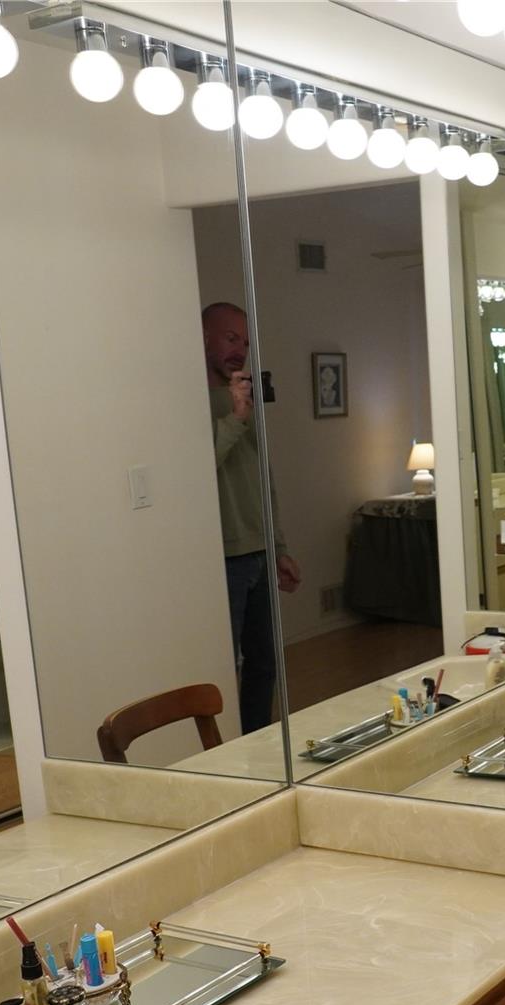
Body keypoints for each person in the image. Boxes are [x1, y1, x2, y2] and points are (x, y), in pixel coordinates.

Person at [202, 302, 300, 734]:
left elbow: (264, 477)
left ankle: (259, 743)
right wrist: (235, 418)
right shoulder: (191, 401)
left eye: (244, 341)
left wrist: (278, 546)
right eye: (230, 338)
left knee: (265, 663)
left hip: (259, 551)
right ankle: (225, 753)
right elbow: (198, 470)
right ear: (204, 338)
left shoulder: (243, 396)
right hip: (223, 557)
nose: (239, 350)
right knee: (225, 665)